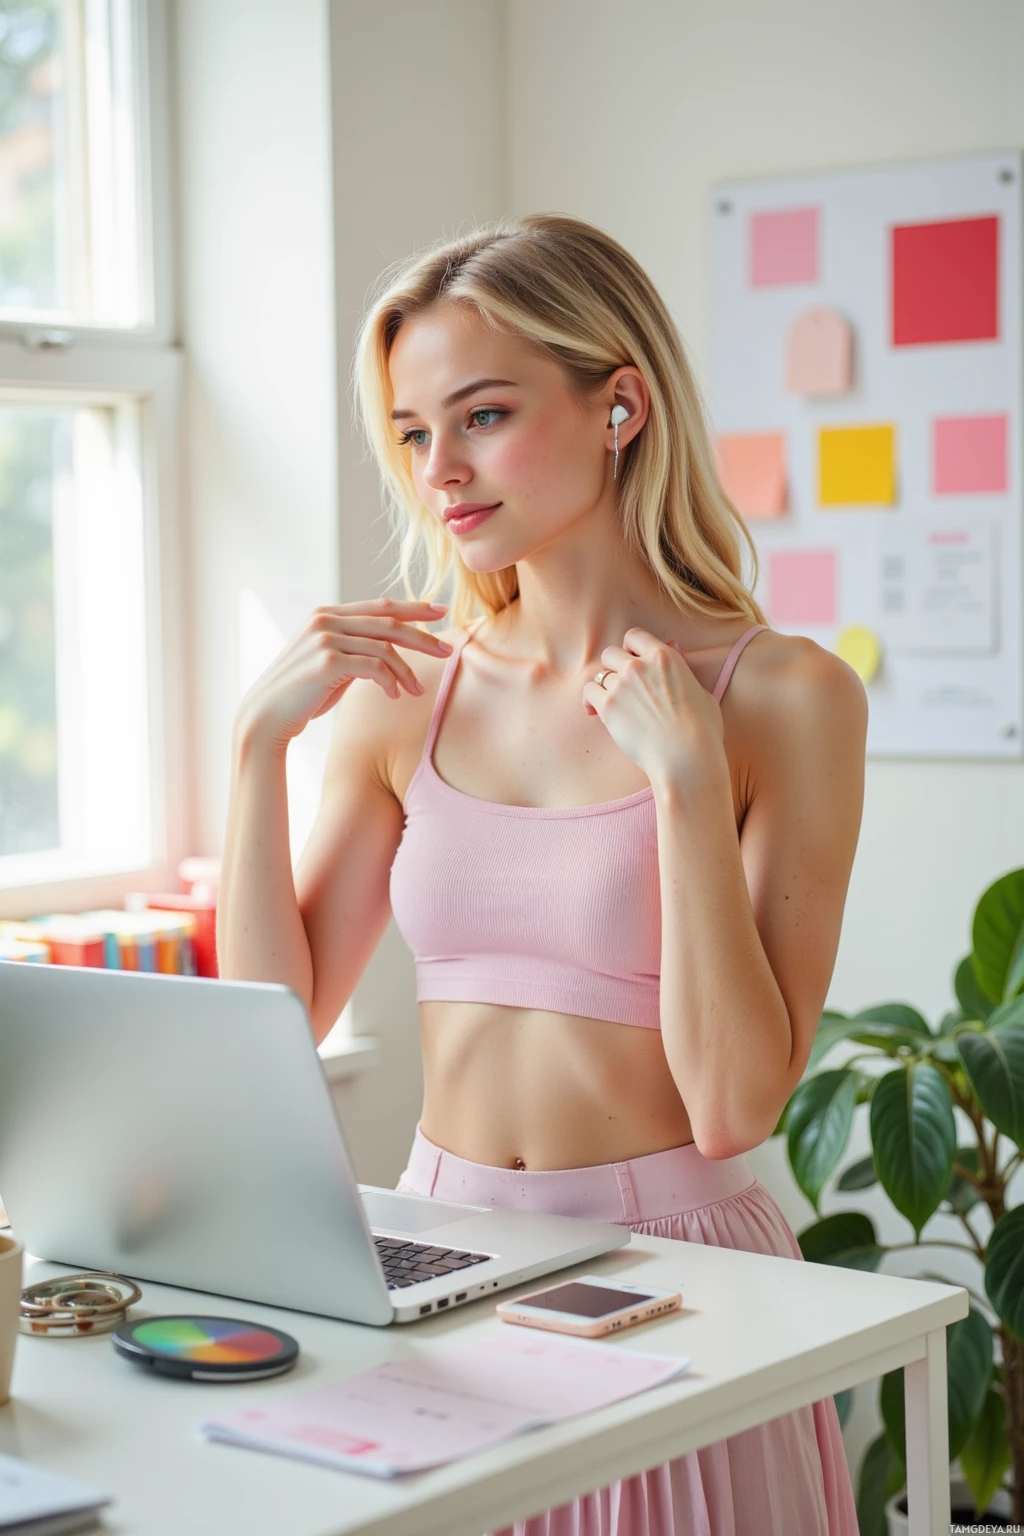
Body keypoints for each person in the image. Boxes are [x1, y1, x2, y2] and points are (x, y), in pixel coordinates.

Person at [218, 214, 866, 1536]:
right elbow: (266, 1035)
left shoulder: (784, 696)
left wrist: (683, 788)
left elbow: (738, 1103)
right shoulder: (408, 697)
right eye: (412, 431)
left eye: (484, 415)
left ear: (619, 402)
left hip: (677, 1274)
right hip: (442, 1258)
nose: (438, 470)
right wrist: (252, 752)